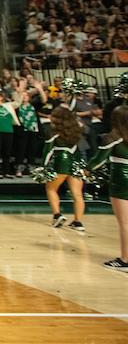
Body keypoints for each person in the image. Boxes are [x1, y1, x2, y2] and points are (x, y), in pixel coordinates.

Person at [88, 105, 128, 271]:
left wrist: (85, 169)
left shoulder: (113, 137)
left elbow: (97, 162)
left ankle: (125, 260)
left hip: (121, 181)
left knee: (125, 223)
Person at [41, 105, 86, 233]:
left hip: (62, 161)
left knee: (51, 188)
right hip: (77, 161)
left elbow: (48, 151)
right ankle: (78, 222)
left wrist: (43, 167)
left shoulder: (53, 132)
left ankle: (57, 215)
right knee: (77, 194)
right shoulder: (76, 129)